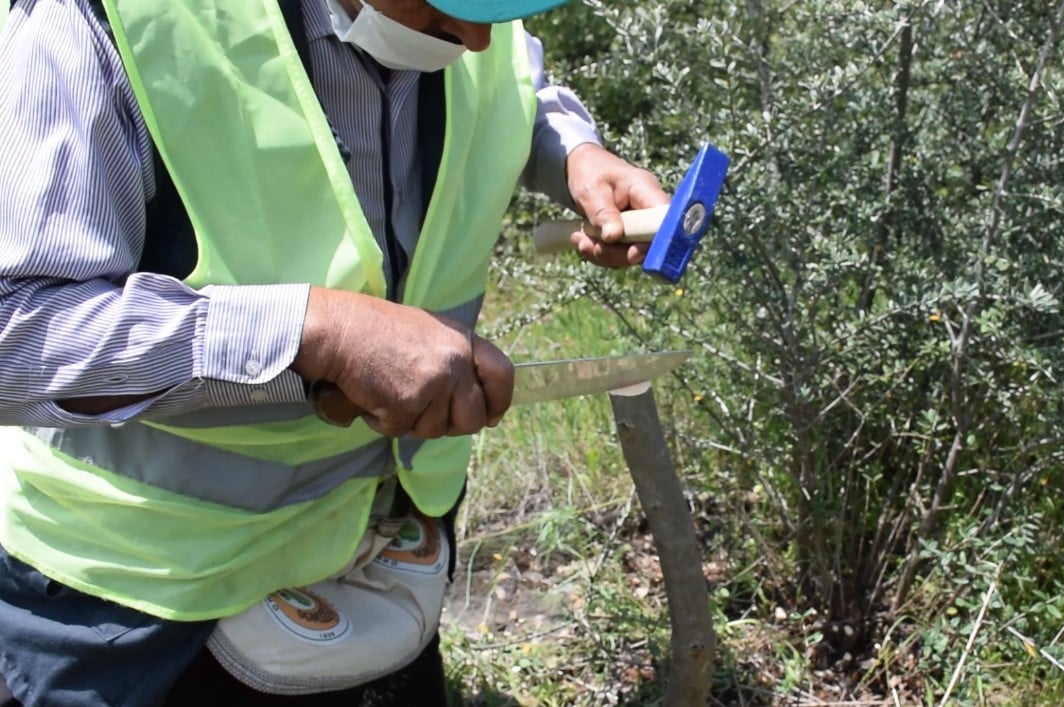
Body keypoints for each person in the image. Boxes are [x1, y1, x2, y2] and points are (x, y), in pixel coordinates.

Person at [0, 0, 669, 704]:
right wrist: (316, 331)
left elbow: (513, 86)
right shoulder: (106, 23)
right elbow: (16, 332)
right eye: (453, 5)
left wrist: (574, 153)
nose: (475, 40)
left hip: (385, 557)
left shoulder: (470, 29)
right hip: (141, 604)